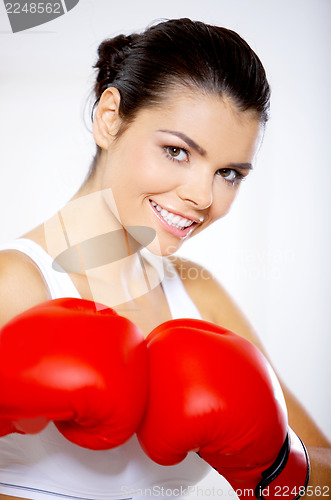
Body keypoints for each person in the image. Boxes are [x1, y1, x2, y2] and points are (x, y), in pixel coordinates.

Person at [0, 17, 330, 500]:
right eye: (177, 151)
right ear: (109, 119)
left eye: (229, 173)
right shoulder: (16, 284)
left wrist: (278, 468)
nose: (201, 195)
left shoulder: (197, 292)